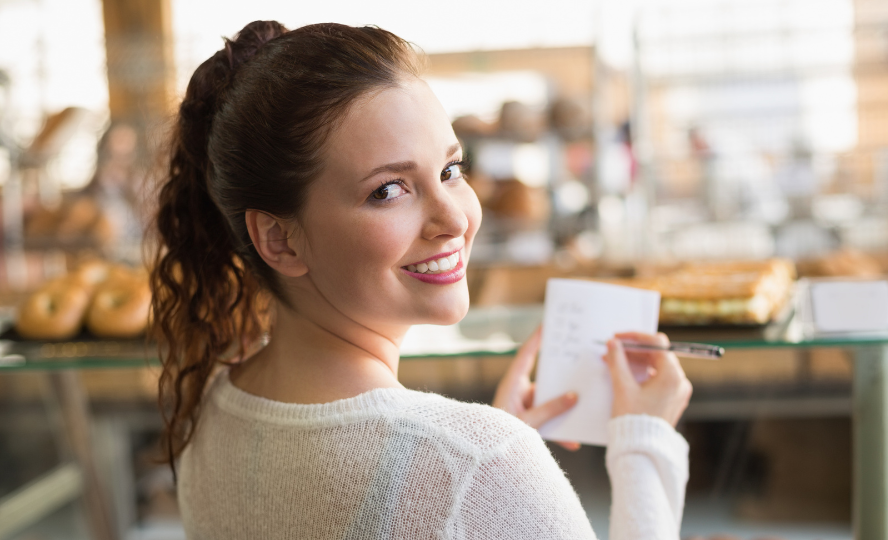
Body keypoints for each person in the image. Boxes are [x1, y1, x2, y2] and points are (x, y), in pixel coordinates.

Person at [150, 20, 692, 540]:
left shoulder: (209, 409)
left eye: (451, 171)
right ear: (279, 240)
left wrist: (468, 471)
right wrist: (643, 444)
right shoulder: (479, 465)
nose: (455, 219)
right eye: (388, 190)